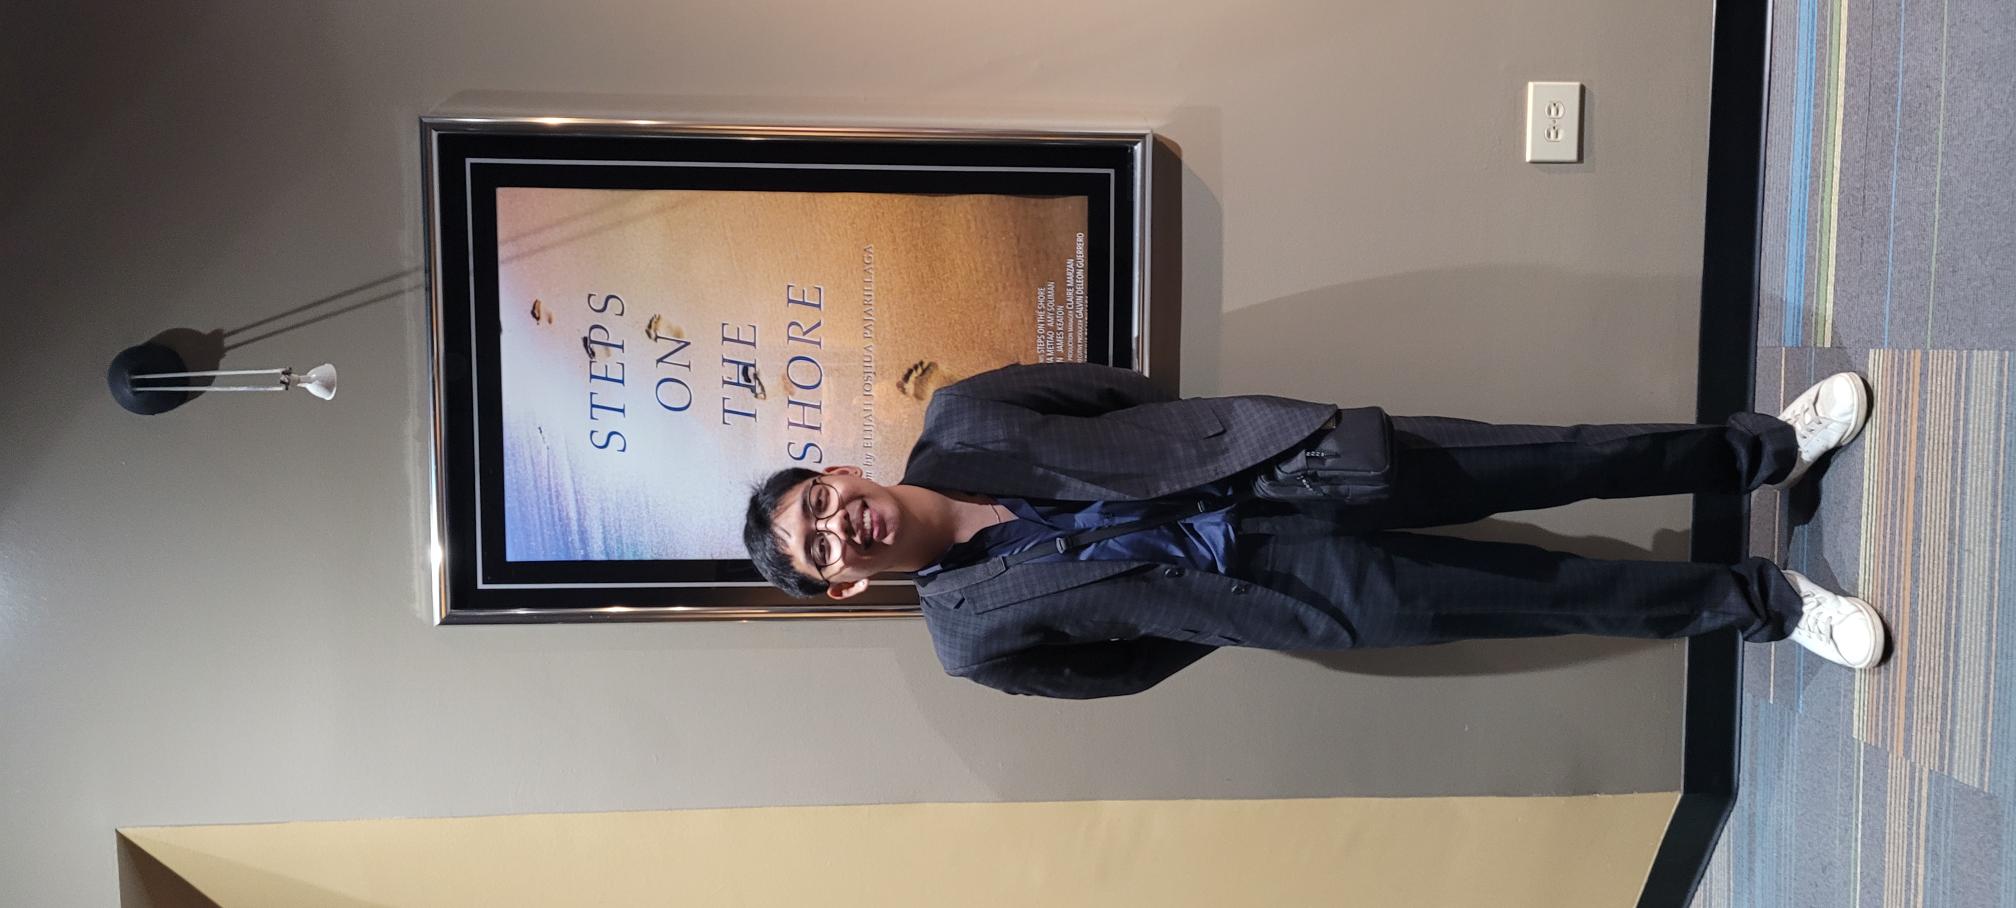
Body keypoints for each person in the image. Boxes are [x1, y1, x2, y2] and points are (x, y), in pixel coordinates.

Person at [742, 363, 1884, 699]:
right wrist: (1210, 604)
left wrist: (1200, 447)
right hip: (1288, 589)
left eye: (820, 506)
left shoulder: (962, 414)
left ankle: (1765, 450)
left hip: (1292, 459)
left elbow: (1113, 390)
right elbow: (1122, 668)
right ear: (843, 586)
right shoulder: (966, 641)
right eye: (822, 550)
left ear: (839, 471)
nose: (839, 526)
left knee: (1563, 451)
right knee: (1547, 588)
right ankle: (1769, 605)